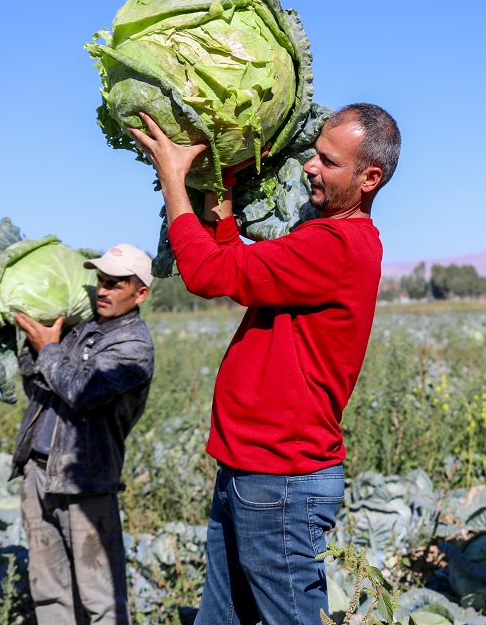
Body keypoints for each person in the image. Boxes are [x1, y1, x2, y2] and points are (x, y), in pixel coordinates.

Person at [127, 103, 401, 625]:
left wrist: (174, 179)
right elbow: (243, 275)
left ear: (370, 177)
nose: (310, 167)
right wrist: (223, 207)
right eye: (315, 154)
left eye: (327, 161)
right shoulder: (324, 240)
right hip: (250, 467)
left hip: (281, 480)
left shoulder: (336, 245)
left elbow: (207, 274)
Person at [9, 243, 156, 625]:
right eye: (101, 281)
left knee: (101, 597)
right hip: (38, 474)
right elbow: (37, 383)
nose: (103, 290)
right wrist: (31, 336)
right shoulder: (80, 330)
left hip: (85, 480)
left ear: (140, 293)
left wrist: (49, 348)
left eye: (115, 284)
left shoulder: (133, 345)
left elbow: (82, 392)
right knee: (50, 592)